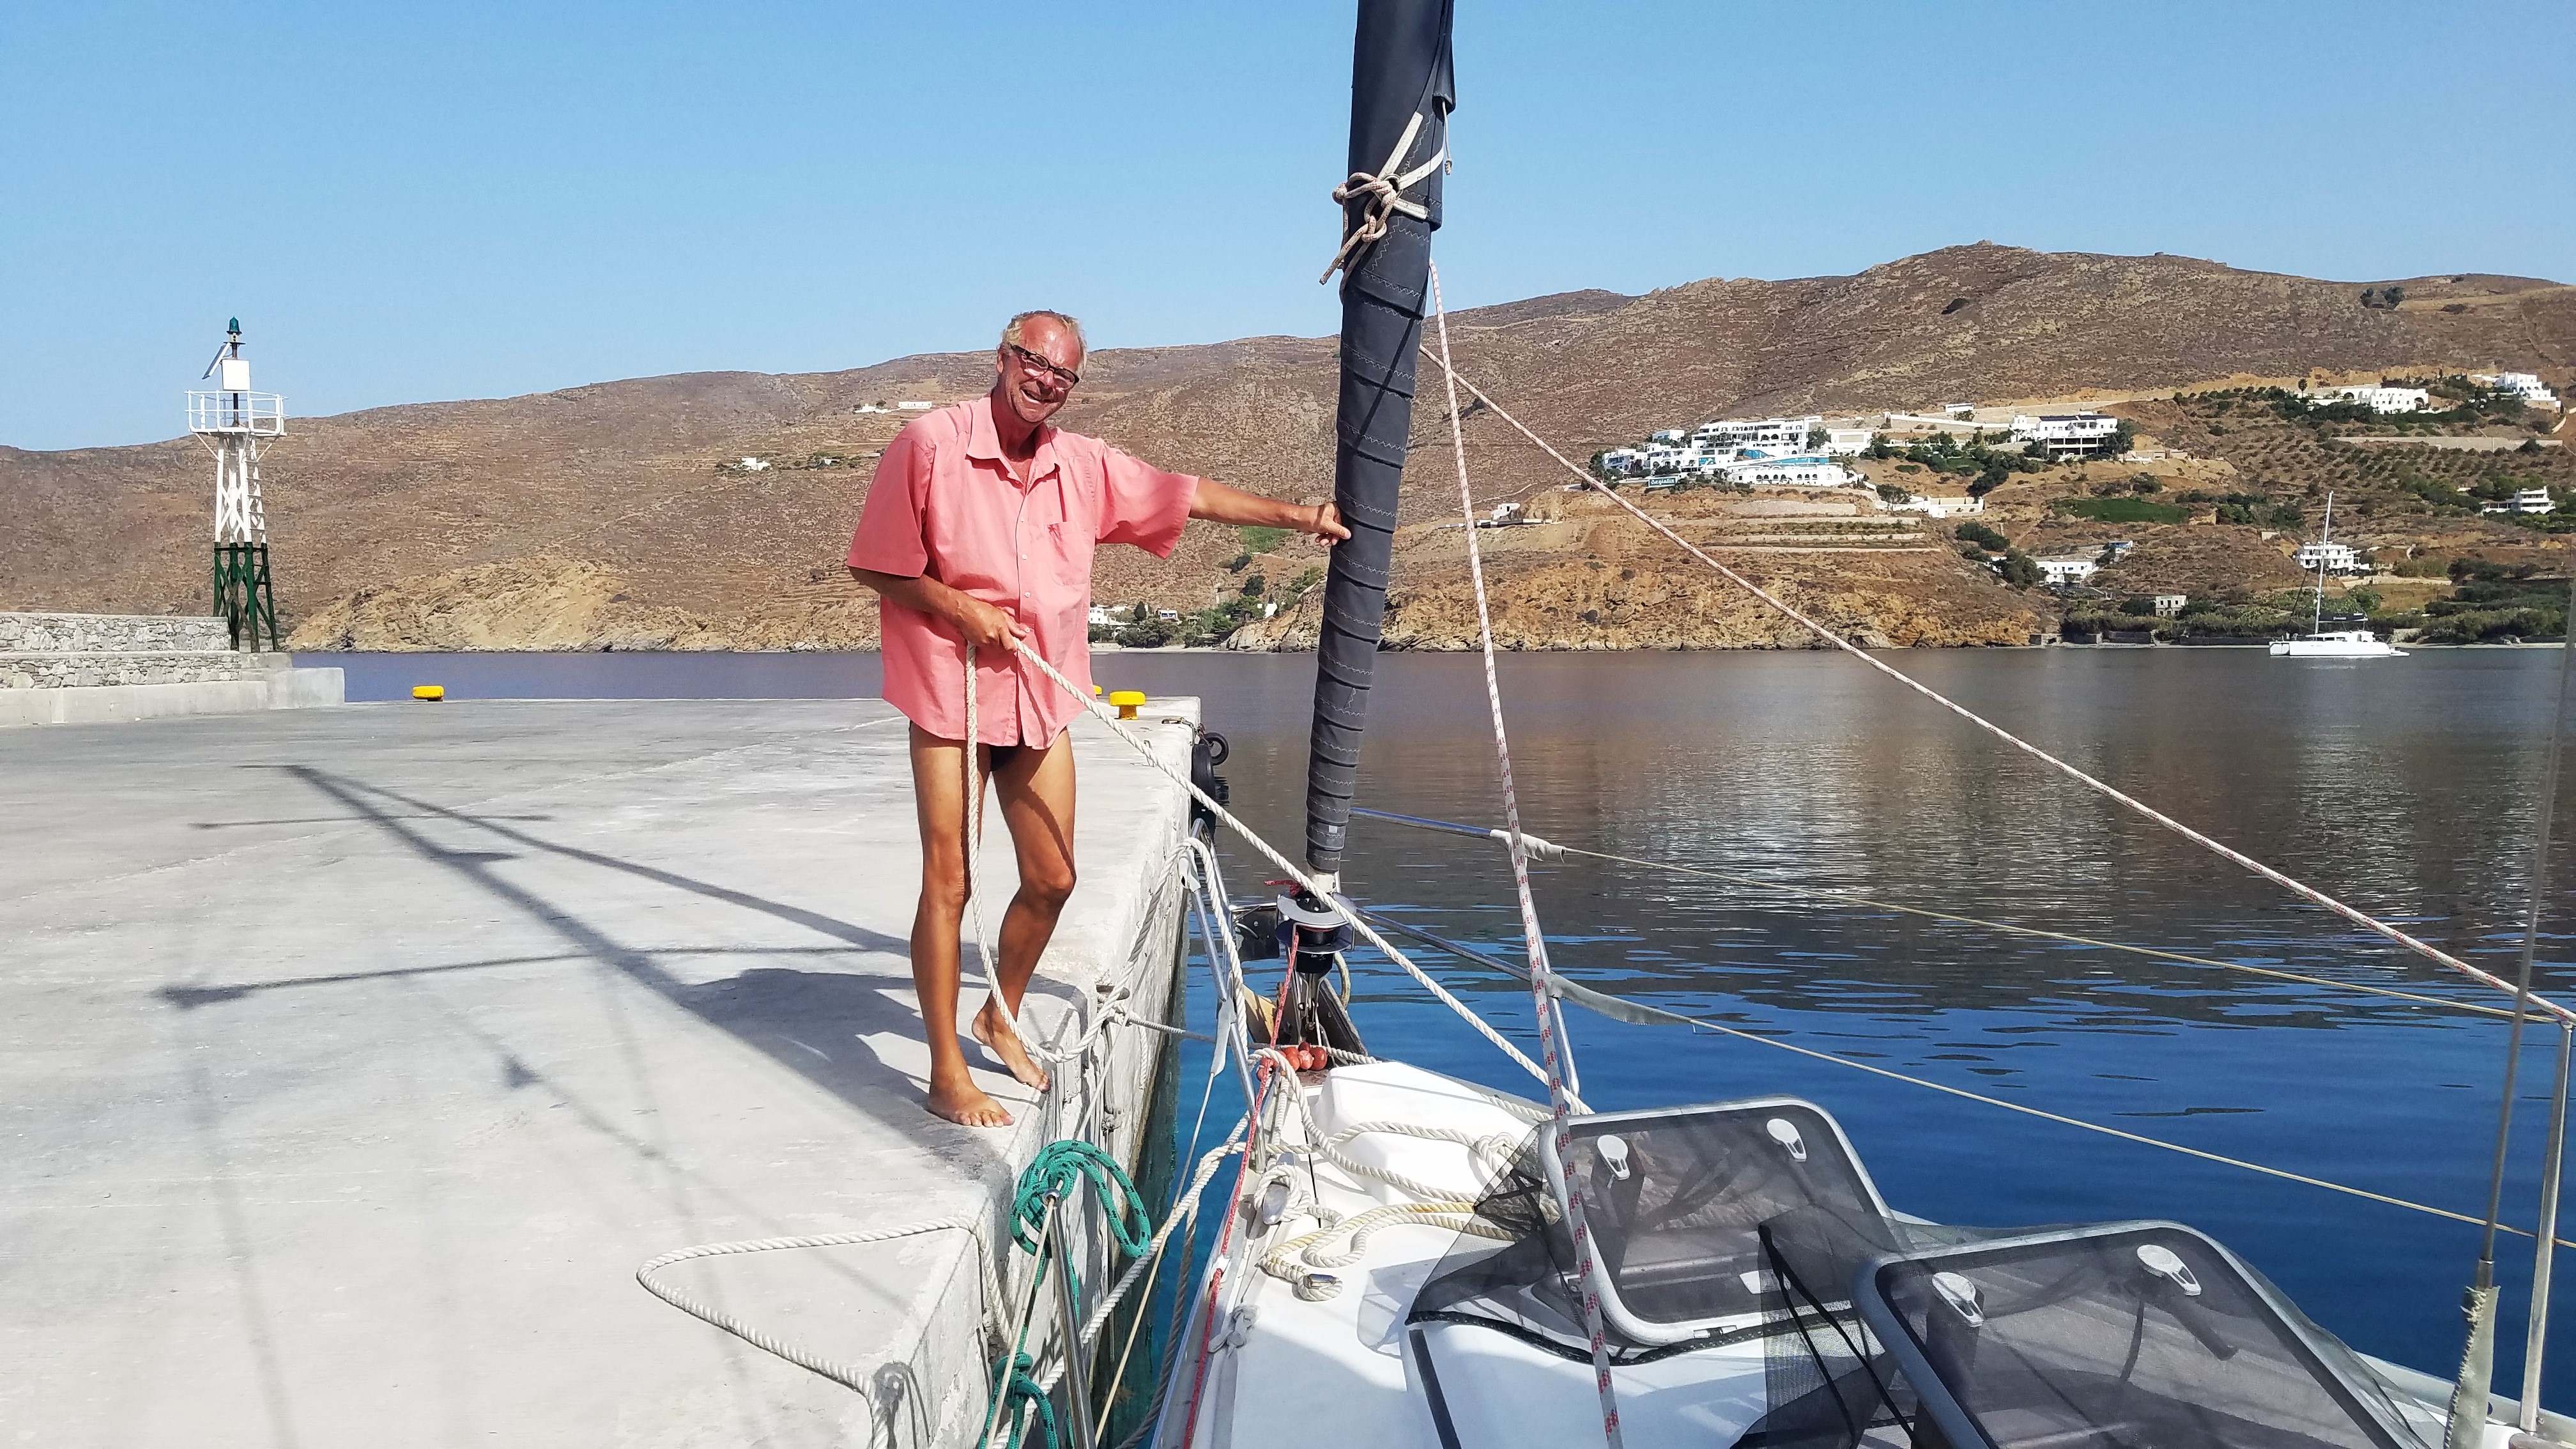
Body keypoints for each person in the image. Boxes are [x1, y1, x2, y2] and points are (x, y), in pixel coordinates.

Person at [848, 310, 1347, 1127]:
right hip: (951, 689)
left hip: (1038, 697)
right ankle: (946, 1072)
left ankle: (997, 1014)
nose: (1045, 381)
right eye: (1033, 362)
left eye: (1063, 374)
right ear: (1002, 357)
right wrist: (959, 608)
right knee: (951, 881)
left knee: (1054, 878)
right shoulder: (930, 444)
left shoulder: (1081, 465)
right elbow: (874, 563)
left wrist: (1302, 518)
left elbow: (1187, 495)